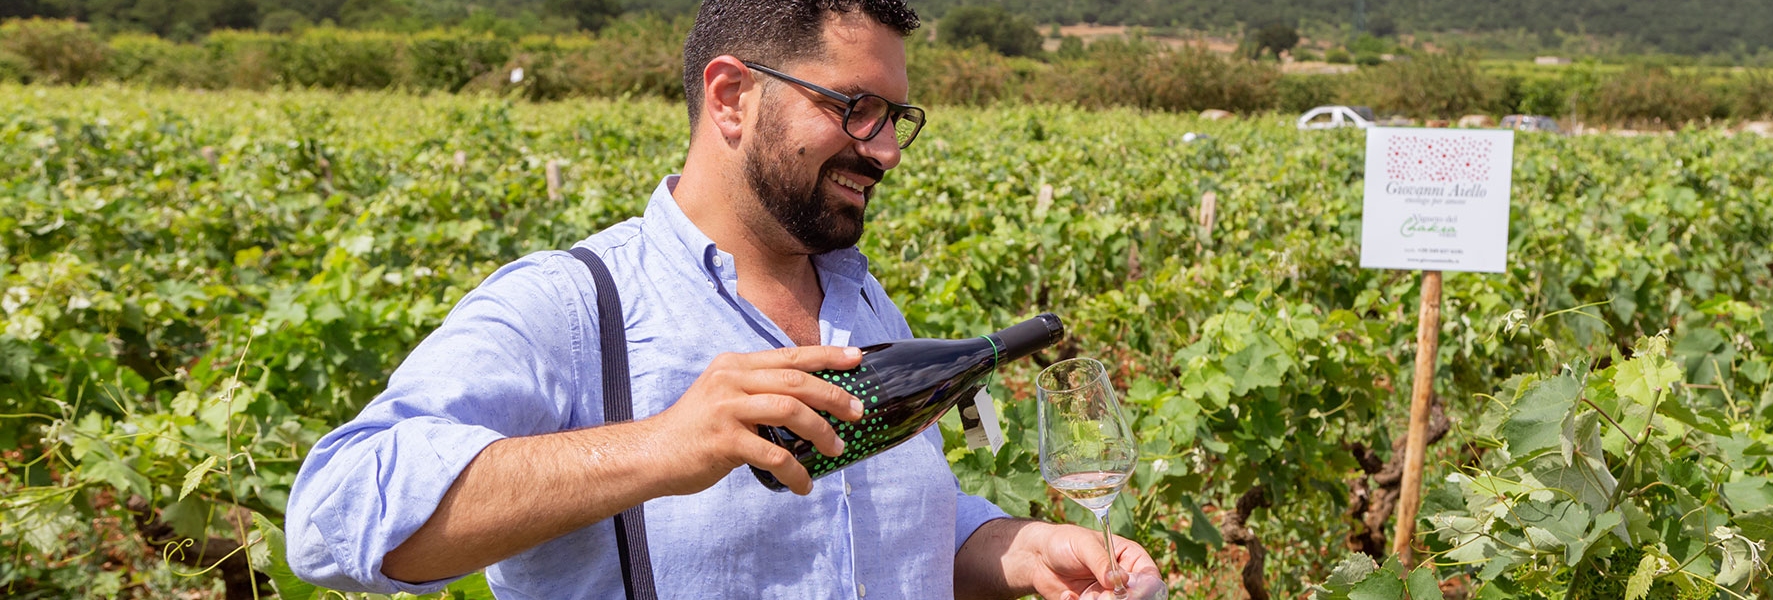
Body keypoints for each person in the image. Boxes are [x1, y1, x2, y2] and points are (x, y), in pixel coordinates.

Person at [284, 0, 1162, 598]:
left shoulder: (864, 305)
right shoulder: (572, 305)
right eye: (856, 108)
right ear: (732, 95)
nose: (887, 150)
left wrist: (1011, 551)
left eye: (898, 117)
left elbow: (873, 523)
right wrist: (663, 445)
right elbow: (334, 518)